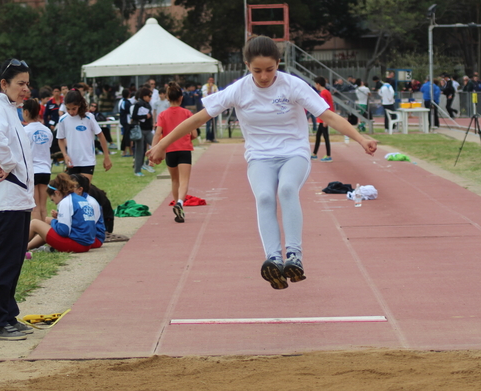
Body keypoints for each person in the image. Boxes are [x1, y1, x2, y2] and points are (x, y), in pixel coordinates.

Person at [148, 36, 378, 290]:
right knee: (265, 197)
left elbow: (328, 116)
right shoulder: (239, 89)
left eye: (270, 69)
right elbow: (196, 120)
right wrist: (162, 143)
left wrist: (360, 137)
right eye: (257, 70)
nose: (264, 76)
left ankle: (294, 256)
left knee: (287, 189)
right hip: (260, 157)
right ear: (247, 65)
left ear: (278, 63)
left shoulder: (293, 86)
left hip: (294, 153)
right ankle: (274, 259)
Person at [0, 58, 36, 341]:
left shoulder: (11, 109)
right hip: (4, 200)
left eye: (27, 83)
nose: (26, 89)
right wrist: (9, 164)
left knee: (13, 260)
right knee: (1, 261)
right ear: (4, 84)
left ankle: (8, 314)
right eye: (20, 84)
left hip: (18, 199)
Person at [152, 82, 197, 223]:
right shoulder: (187, 113)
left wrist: (154, 150)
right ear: (181, 98)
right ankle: (180, 203)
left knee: (174, 180)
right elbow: (194, 134)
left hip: (169, 150)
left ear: (167, 98)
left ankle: (177, 208)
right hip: (184, 149)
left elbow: (157, 133)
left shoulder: (162, 115)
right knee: (184, 180)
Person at [27, 173, 96, 253]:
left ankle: (16, 247)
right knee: (48, 227)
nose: (55, 203)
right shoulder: (80, 199)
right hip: (86, 245)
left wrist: (52, 221)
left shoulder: (65, 202)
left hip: (76, 244)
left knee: (35, 223)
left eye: (53, 199)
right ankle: (25, 247)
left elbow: (64, 231)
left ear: (57, 193)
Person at [56, 90, 112, 183]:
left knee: (83, 190)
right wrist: (65, 155)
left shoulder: (89, 117)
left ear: (80, 105)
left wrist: (106, 156)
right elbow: (60, 139)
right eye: (68, 109)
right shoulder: (63, 119)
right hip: (72, 162)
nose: (71, 112)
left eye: (74, 108)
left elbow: (101, 136)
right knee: (74, 192)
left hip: (87, 160)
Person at [23, 99, 53, 223]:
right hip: (46, 170)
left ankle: (38, 237)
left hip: (32, 171)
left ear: (25, 112)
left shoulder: (25, 131)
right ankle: (45, 236)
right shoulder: (47, 130)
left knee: (34, 208)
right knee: (43, 207)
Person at [131, 87, 154, 176]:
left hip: (148, 130)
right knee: (139, 150)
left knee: (156, 145)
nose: (150, 97)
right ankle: (137, 170)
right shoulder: (138, 104)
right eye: (149, 96)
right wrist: (145, 116)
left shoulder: (148, 104)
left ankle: (146, 162)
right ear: (144, 96)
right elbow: (134, 116)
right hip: (140, 129)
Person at [311, 76, 335, 162]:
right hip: (323, 119)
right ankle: (314, 154)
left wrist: (326, 120)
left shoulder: (323, 93)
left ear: (318, 84)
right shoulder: (326, 92)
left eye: (315, 84)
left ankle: (328, 155)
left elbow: (325, 107)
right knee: (318, 136)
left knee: (325, 137)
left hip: (323, 119)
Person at [201, 77, 219, 142]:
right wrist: (210, 88)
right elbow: (206, 94)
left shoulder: (215, 87)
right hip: (207, 107)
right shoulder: (205, 87)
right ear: (208, 81)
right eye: (210, 80)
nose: (211, 82)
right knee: (208, 123)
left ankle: (213, 137)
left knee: (214, 123)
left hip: (214, 106)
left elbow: (217, 94)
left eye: (212, 80)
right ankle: (208, 137)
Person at [118, 88, 133, 157]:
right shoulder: (126, 102)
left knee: (126, 136)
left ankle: (128, 151)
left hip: (123, 121)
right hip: (126, 121)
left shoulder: (121, 101)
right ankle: (126, 152)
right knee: (126, 137)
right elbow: (129, 111)